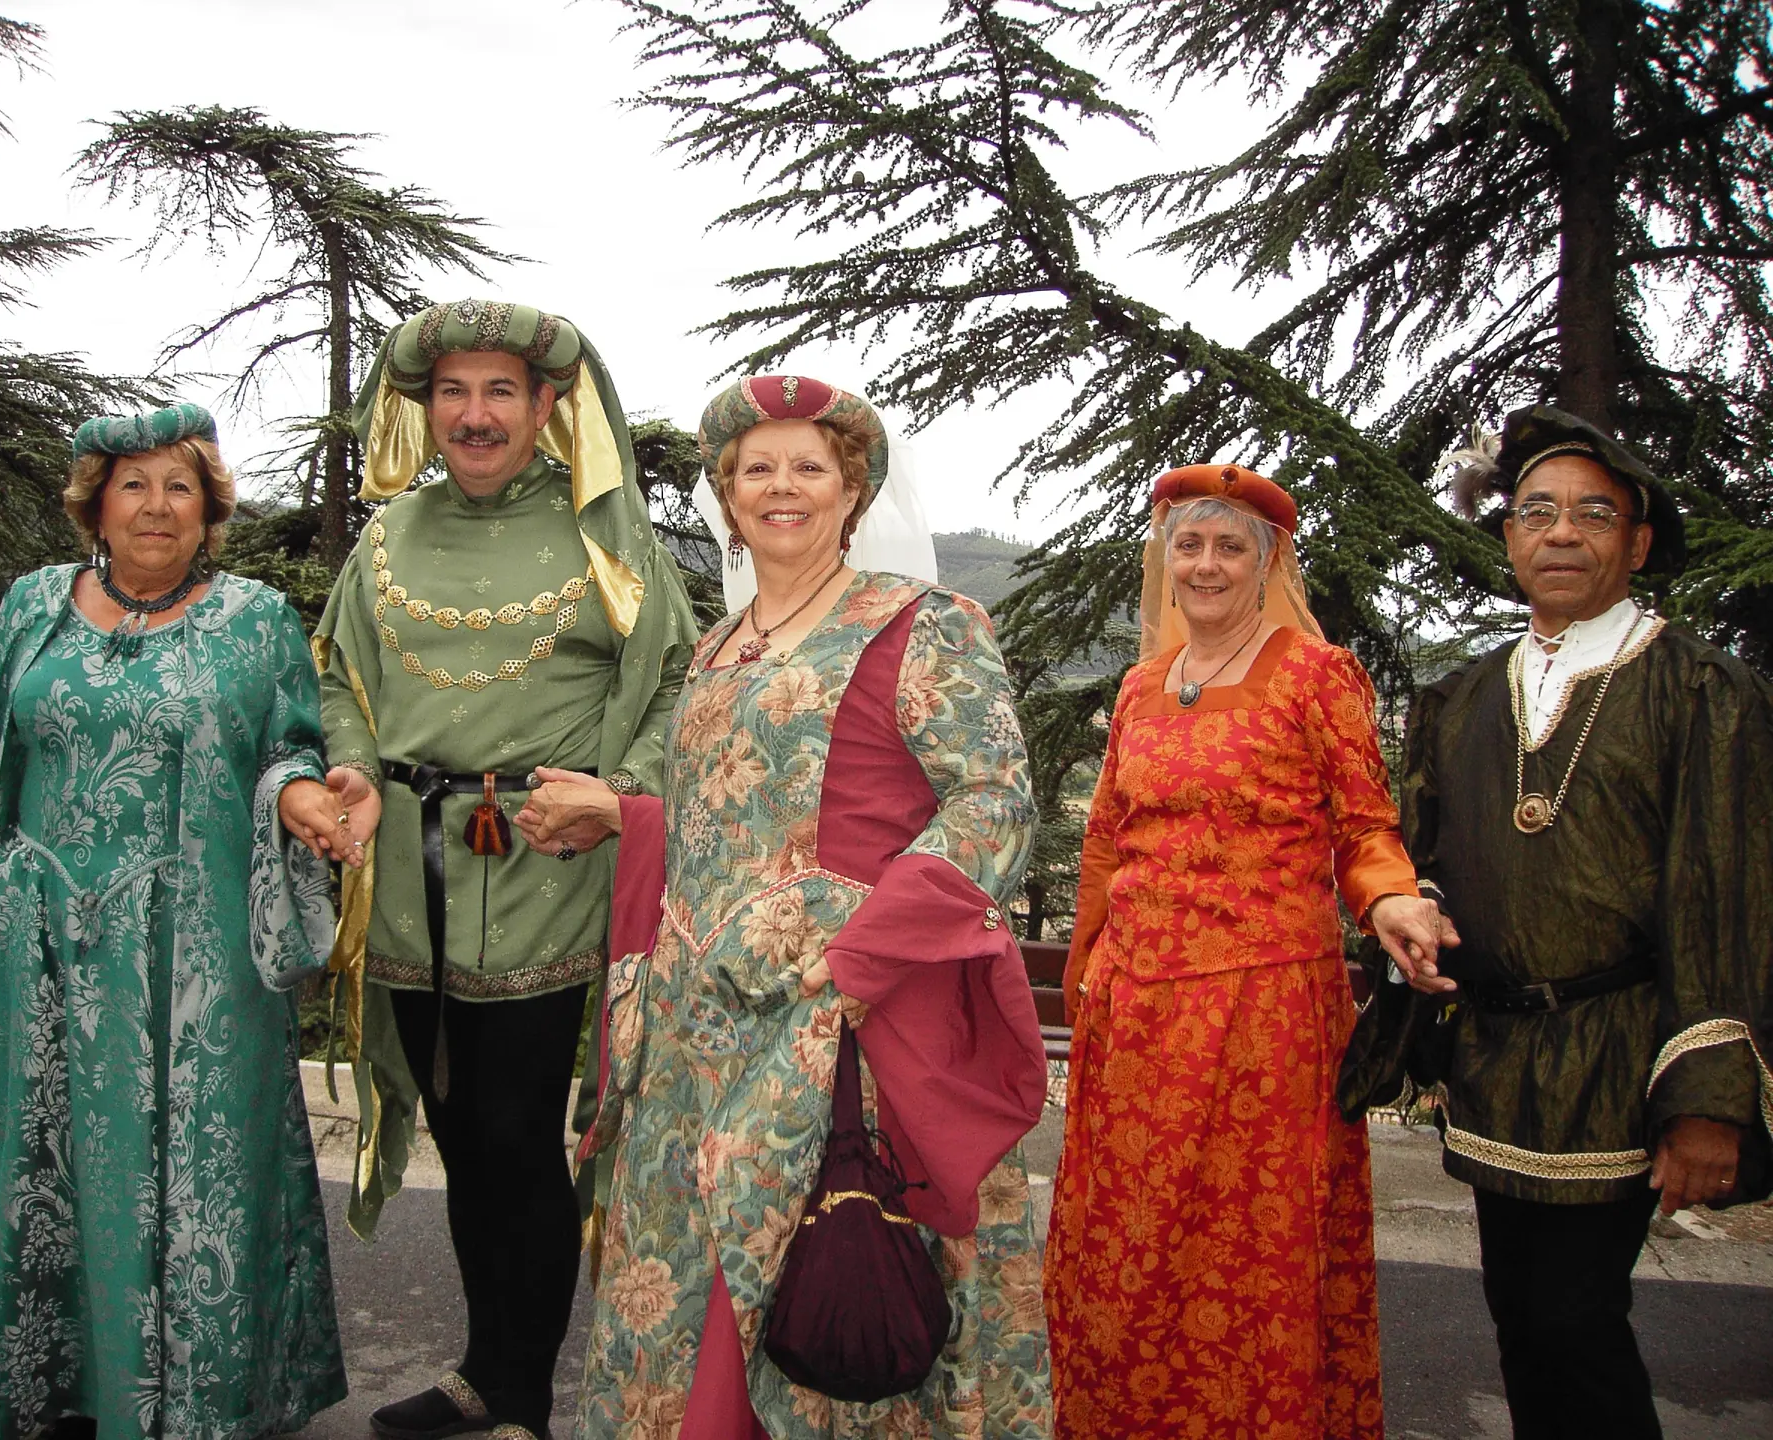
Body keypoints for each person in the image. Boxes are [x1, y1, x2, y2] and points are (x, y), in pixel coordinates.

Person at [524, 375, 1052, 1436]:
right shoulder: (720, 650)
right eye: (754, 468)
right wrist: (626, 818)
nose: (780, 487)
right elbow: (728, 831)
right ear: (726, 496)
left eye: (808, 465)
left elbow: (996, 807)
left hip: (837, 1020)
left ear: (853, 489)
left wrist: (860, 957)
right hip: (699, 1024)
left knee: (830, 1262)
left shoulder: (924, 623)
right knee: (696, 1271)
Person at [0, 404, 353, 1438]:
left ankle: (189, 1399)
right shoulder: (34, 603)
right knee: (34, 1170)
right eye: (133, 484)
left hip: (192, 950)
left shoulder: (255, 617)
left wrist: (300, 793)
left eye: (179, 486)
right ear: (96, 502)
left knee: (189, 1172)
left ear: (209, 507)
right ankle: (48, 1388)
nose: (156, 506)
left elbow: (292, 744)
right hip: (28, 936)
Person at [313, 301, 697, 1440]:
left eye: (499, 393)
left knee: (518, 1129)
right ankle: (482, 1370)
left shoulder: (604, 536)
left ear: (545, 408)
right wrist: (350, 768)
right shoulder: (386, 538)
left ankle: (526, 1391)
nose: (475, 416)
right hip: (407, 865)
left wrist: (614, 799)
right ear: (425, 410)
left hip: (542, 862)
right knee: (453, 1121)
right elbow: (340, 672)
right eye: (453, 394)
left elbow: (677, 679)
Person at [1043, 464, 1450, 1439]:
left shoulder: (1319, 677)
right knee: (1134, 1254)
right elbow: (1105, 840)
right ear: (1166, 559)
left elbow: (1364, 827)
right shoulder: (1142, 690)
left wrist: (1392, 898)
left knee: (1242, 1253)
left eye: (1232, 546)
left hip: (1259, 1024)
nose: (1208, 563)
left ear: (1268, 563)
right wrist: (1087, 975)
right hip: (1137, 1022)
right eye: (1190, 544)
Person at [1396, 406, 1773, 1439]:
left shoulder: (1703, 690)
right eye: (1537, 513)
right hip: (1497, 1061)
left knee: (1575, 1323)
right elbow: (1417, 859)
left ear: (1637, 540)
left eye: (1592, 515)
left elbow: (1728, 898)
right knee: (1519, 1322)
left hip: (1623, 1055)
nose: (1561, 534)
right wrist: (1418, 916)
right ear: (1508, 535)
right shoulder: (1465, 698)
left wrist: (1708, 1101)